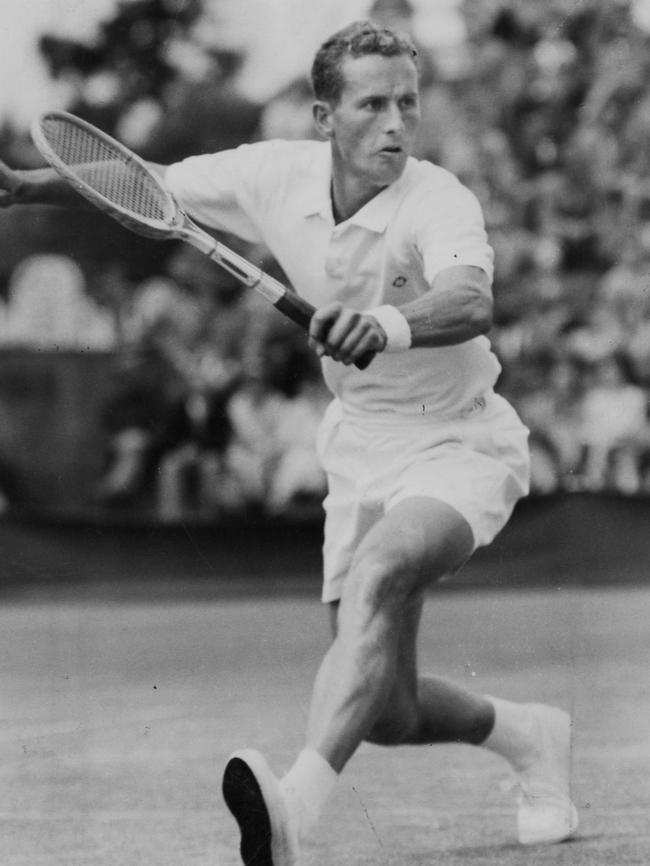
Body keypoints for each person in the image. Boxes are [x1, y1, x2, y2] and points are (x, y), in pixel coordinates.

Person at [0, 20, 578, 865]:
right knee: (387, 710)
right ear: (323, 115)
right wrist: (23, 187)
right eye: (372, 104)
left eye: (407, 103)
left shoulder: (440, 199)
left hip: (460, 441)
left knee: (381, 573)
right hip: (360, 446)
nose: (395, 123)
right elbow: (142, 183)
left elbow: (469, 302)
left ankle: (296, 813)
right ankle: (530, 735)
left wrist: (383, 322)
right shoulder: (271, 174)